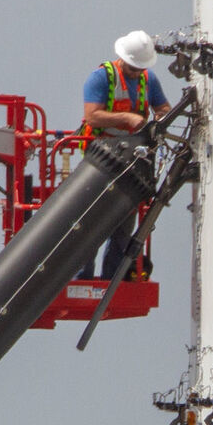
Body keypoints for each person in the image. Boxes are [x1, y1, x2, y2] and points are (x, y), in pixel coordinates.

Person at [77, 30, 172, 279]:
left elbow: (163, 108)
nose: (137, 72)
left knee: (123, 224)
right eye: (133, 67)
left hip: (132, 162)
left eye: (140, 68)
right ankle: (82, 277)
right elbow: (92, 116)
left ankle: (112, 280)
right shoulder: (102, 78)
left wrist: (160, 118)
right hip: (100, 160)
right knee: (92, 224)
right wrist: (127, 118)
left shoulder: (148, 80)